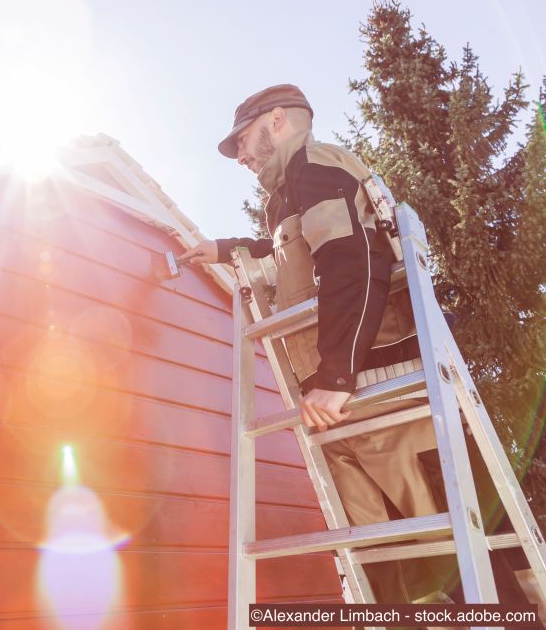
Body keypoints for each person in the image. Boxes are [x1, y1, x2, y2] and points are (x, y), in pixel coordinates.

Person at [178, 84, 458, 613]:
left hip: (379, 390)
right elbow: (293, 252)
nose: (239, 156)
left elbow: (355, 260)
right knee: (382, 558)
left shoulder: (316, 165)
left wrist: (337, 375)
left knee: (445, 544)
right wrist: (224, 248)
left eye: (242, 141)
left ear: (277, 120)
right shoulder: (289, 194)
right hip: (339, 399)